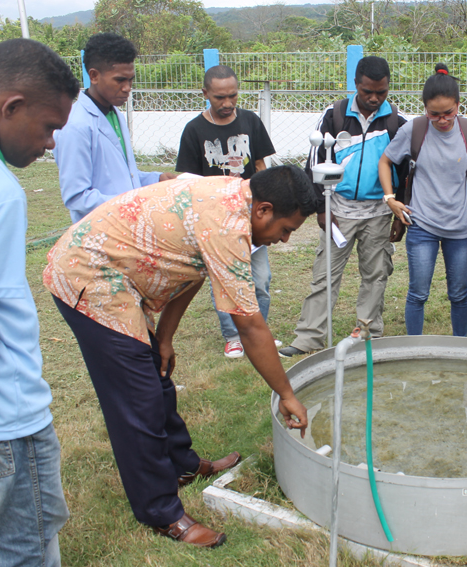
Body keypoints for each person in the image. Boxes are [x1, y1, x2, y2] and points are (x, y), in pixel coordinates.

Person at [43, 167, 315, 547]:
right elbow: (250, 327)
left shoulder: (234, 196)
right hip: (88, 276)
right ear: (263, 211)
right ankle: (160, 512)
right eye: (286, 229)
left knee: (155, 374)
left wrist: (165, 338)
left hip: (114, 275)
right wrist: (286, 393)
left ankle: (182, 466)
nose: (284, 240)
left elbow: (193, 268)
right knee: (138, 401)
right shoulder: (225, 225)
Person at [0, 38, 79, 566]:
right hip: (1, 419)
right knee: (24, 554)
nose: (52, 144)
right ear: (11, 107)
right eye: (50, 127)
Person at [279, 56, 406, 357]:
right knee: (324, 275)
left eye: (381, 92)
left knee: (376, 275)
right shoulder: (333, 115)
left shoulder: (396, 122)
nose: (374, 98)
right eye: (367, 92)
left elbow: (406, 169)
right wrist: (321, 209)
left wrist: (399, 214)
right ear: (356, 85)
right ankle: (309, 338)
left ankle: (368, 334)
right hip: (338, 211)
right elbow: (316, 162)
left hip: (378, 212)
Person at [176, 64, 279, 359]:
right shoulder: (194, 130)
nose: (228, 103)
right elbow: (187, 182)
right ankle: (233, 336)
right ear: (205, 93)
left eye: (233, 96)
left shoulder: (250, 121)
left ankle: (259, 334)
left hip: (250, 217)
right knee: (224, 280)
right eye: (220, 97)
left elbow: (260, 165)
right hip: (214, 220)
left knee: (261, 278)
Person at [378, 64, 467, 336]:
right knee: (418, 293)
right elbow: (385, 160)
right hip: (421, 225)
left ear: (459, 105)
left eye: (448, 113)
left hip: (459, 227)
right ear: (425, 108)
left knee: (460, 294)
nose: (442, 120)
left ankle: (459, 346)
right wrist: (390, 198)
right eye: (434, 114)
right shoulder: (415, 129)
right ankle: (414, 347)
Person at [54, 32, 176, 223]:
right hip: (99, 233)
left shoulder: (113, 114)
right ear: (94, 76)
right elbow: (77, 197)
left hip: (125, 229)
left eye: (131, 80)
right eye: (120, 80)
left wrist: (156, 179)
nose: (127, 87)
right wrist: (134, 202)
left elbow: (119, 178)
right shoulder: (75, 126)